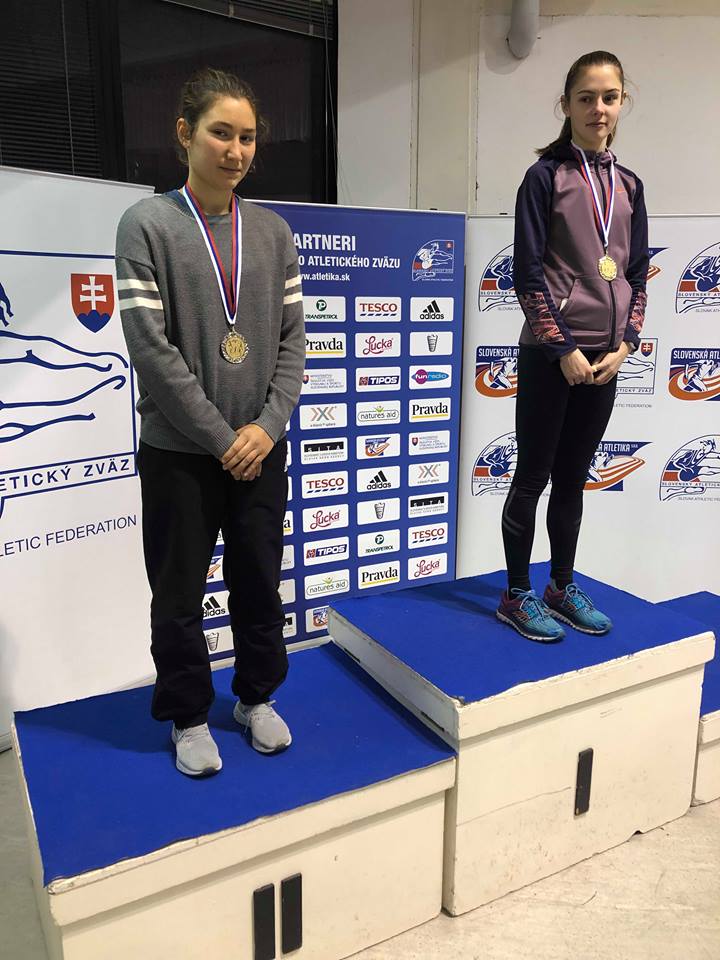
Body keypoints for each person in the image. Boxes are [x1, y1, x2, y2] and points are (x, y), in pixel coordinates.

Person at [116, 68, 305, 775]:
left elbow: (293, 343)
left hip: (260, 447)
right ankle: (188, 715)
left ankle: (256, 698)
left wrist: (266, 426)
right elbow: (151, 352)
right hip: (180, 453)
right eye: (220, 132)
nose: (235, 150)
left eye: (247, 137)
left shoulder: (274, 232)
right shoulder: (147, 226)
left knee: (259, 584)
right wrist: (225, 439)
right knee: (178, 596)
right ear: (184, 134)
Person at [496, 51, 649, 642]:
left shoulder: (629, 185)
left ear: (622, 103)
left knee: (573, 477)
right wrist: (561, 348)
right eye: (586, 98)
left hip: (606, 360)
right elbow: (527, 274)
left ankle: (560, 586)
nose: (598, 108)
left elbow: (635, 273)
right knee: (532, 475)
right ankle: (516, 594)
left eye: (609, 97)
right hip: (550, 356)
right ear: (566, 105)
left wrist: (627, 343)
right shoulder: (546, 177)